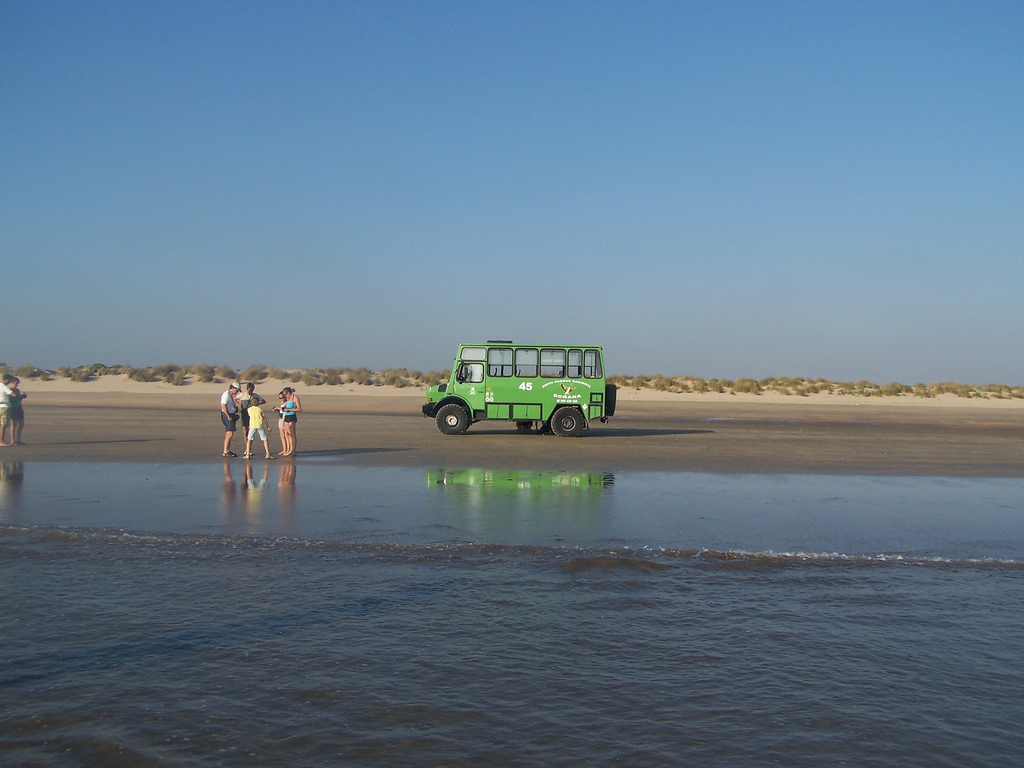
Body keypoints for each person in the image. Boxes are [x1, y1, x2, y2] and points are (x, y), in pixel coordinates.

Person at [244, 394, 274, 459]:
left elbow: (250, 417)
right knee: (264, 439)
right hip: (260, 425)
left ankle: (247, 453)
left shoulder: (249, 409)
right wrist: (268, 426)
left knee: (249, 439)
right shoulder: (260, 409)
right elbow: (264, 418)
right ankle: (267, 453)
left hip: (252, 425)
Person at [275, 387, 301, 456]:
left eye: (285, 395)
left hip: (292, 416)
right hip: (286, 416)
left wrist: (290, 410)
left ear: (288, 393)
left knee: (292, 434)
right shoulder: (287, 399)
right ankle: (289, 449)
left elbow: (299, 409)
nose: (285, 396)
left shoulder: (295, 398)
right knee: (287, 434)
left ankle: (292, 450)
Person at [220, 382, 241, 457]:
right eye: (237, 390)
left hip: (230, 414)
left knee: (230, 432)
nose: (237, 392)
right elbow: (223, 406)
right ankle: (225, 451)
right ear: (233, 388)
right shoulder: (226, 395)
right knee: (229, 433)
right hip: (227, 415)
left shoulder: (229, 395)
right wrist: (228, 416)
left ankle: (228, 450)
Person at [8, 377, 26, 445]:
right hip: (12, 407)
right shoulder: (9, 390)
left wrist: (22, 397)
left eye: (18, 383)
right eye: (16, 383)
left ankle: (19, 439)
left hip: (19, 407)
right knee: (14, 424)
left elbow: (19, 400)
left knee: (21, 423)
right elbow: (10, 400)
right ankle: (12, 440)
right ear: (12, 383)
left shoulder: (17, 390)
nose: (17, 385)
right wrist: (17, 397)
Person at [0, 374, 13, 447]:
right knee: (3, 424)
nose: (9, 382)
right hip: (4, 406)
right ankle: (1, 441)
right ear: (7, 380)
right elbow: (13, 394)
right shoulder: (4, 387)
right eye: (9, 381)